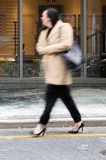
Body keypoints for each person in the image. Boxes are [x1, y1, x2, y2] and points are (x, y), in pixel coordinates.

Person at [32, 8, 84, 137]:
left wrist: (48, 49)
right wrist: (47, 50)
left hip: (60, 69)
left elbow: (66, 44)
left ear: (50, 17)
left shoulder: (64, 27)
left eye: (43, 16)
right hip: (51, 70)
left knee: (50, 99)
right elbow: (39, 47)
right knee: (66, 98)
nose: (42, 18)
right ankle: (78, 121)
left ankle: (41, 125)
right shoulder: (44, 31)